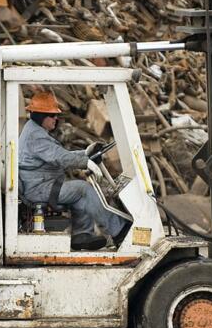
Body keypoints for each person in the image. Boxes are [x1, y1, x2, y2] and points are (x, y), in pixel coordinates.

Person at [18, 91, 130, 251]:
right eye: (52, 115)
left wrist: (86, 153)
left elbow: (59, 154)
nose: (55, 119)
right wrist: (86, 162)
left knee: (79, 194)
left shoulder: (35, 131)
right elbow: (60, 157)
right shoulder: (37, 136)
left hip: (41, 185)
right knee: (83, 189)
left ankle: (82, 235)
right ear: (40, 116)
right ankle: (120, 232)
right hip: (39, 189)